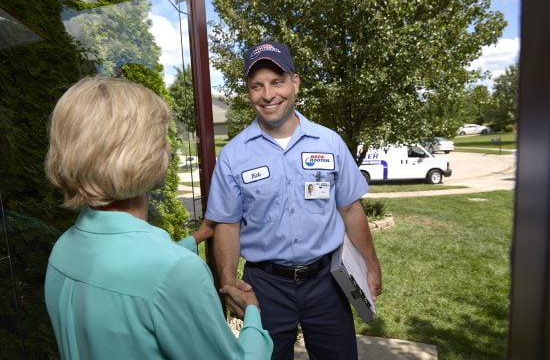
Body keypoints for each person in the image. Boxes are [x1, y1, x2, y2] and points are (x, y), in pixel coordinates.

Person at [44, 76, 273, 360]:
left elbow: (128, 269)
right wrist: (252, 315)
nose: (169, 148)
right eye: (161, 137)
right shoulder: (176, 272)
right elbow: (159, 277)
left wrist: (198, 236)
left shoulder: (63, 249)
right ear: (136, 154)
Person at [206, 41, 382, 360]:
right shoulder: (234, 155)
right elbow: (227, 224)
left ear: (295, 83)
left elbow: (350, 209)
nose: (268, 94)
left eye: (277, 82)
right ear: (248, 92)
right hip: (265, 287)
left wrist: (371, 265)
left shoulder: (329, 143)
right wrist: (229, 281)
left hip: (327, 283)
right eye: (257, 86)